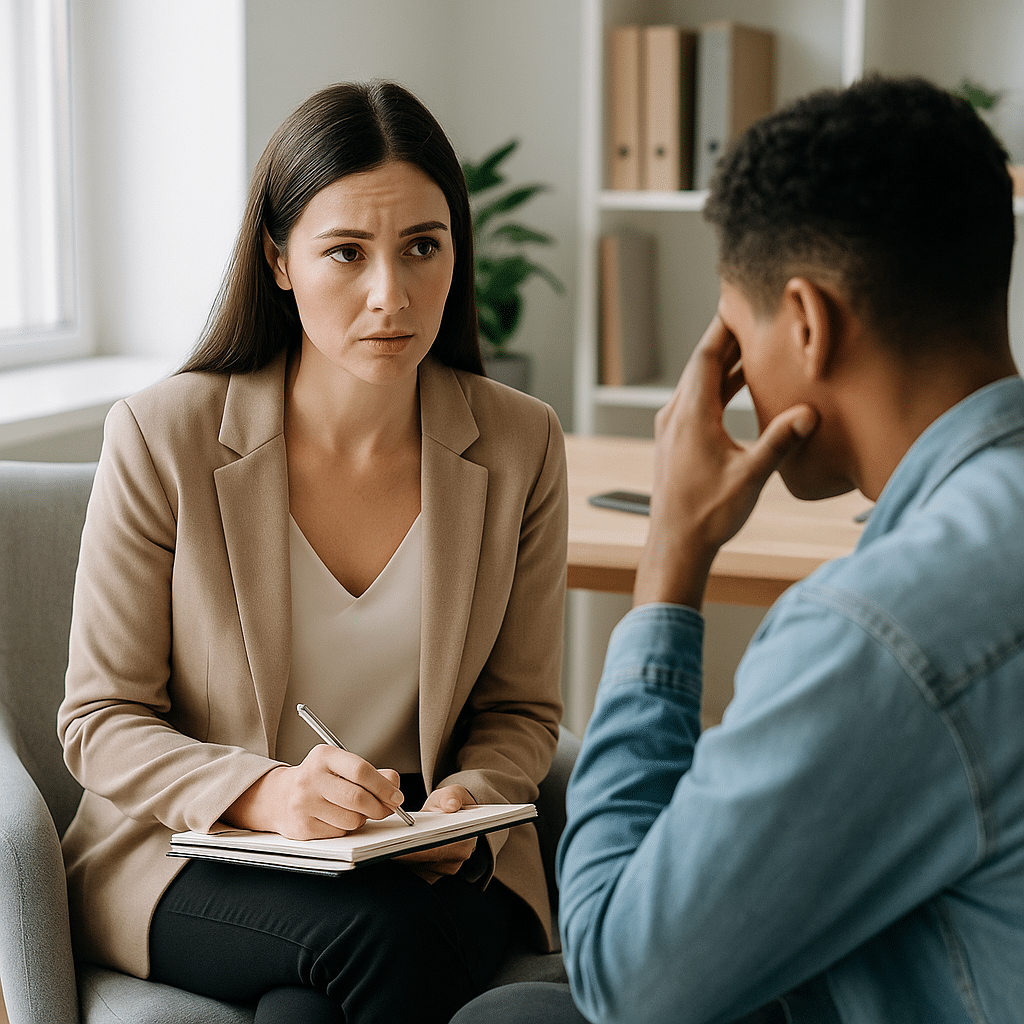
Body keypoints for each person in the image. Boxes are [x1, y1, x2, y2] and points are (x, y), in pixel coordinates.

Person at [451, 75, 1024, 1024]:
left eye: (734, 327)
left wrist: (669, 561)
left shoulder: (877, 633)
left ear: (805, 321)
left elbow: (622, 982)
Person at [57, 81, 568, 1024]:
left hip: (425, 855)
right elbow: (100, 718)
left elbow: (521, 710)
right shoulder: (164, 435)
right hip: (198, 851)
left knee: (312, 1004)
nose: (393, 295)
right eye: (346, 252)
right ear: (279, 260)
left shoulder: (519, 442)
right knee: (376, 941)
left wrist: (466, 804)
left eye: (424, 247)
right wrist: (264, 794)